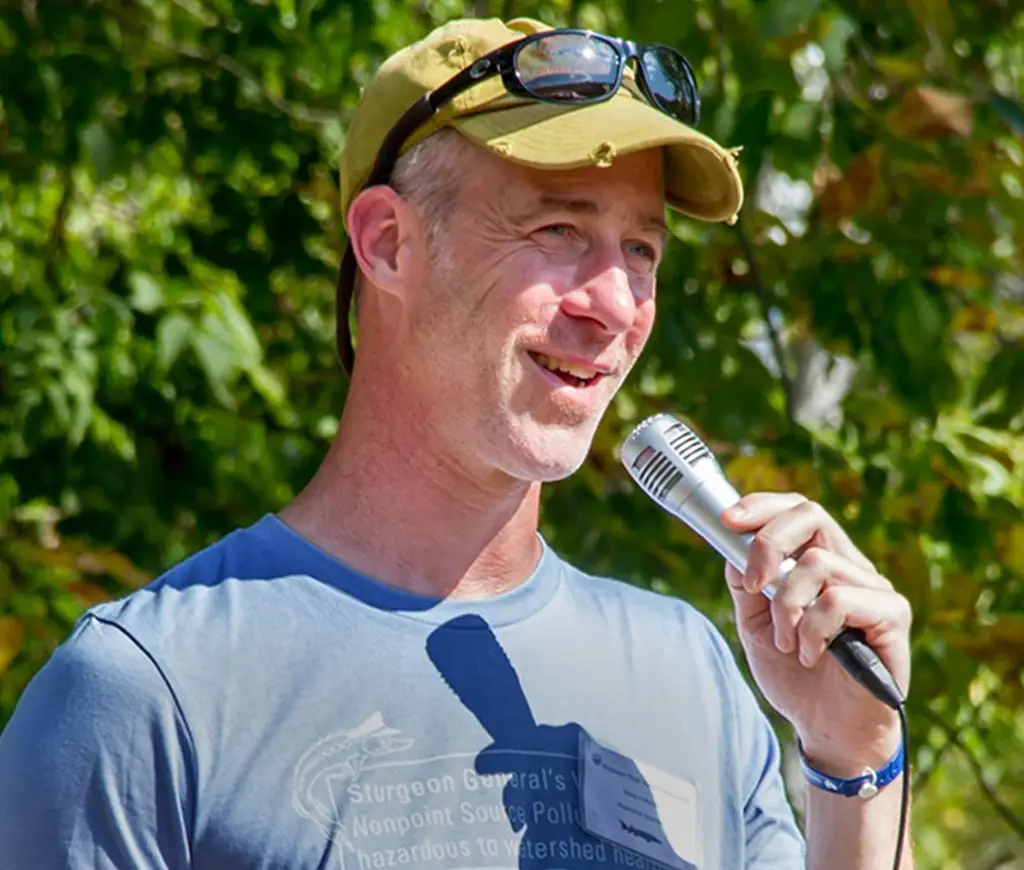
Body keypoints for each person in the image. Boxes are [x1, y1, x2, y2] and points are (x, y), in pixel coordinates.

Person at [0, 16, 914, 870]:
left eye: (641, 250)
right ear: (389, 243)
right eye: (558, 229)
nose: (613, 307)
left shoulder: (692, 672)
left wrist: (854, 760)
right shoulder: (142, 693)